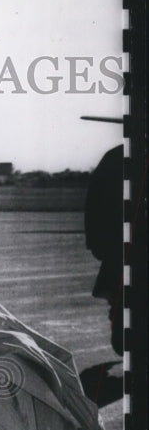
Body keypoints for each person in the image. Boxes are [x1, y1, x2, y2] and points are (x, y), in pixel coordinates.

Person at [84, 144, 124, 356]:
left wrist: (95, 241)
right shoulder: (116, 157)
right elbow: (96, 201)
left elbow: (94, 202)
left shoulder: (114, 156)